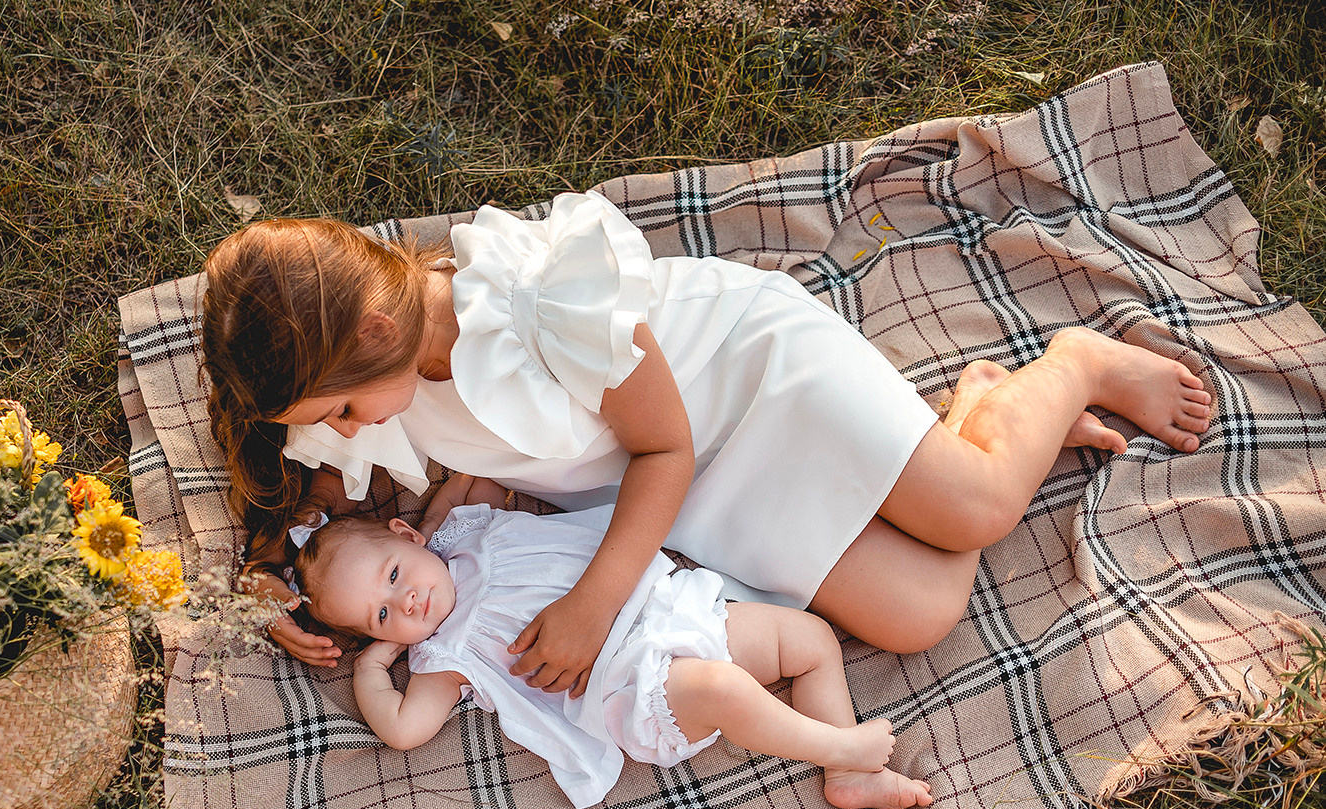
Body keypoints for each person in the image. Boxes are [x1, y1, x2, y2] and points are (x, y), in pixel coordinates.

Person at [203, 190, 1214, 690]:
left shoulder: (539, 296)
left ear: (375, 332)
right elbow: (292, 489)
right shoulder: (367, 379)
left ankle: (1072, 363)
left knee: (980, 507)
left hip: (743, 384)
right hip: (685, 487)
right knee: (919, 609)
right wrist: (269, 579)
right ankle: (980, 408)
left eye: (339, 412)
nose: (343, 438)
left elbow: (663, 448)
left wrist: (594, 604)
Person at [288, 473, 933, 809]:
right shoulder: (444, 655)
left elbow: (471, 481)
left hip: (670, 610)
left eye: (395, 577)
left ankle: (849, 776)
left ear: (408, 536)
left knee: (811, 639)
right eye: (381, 616)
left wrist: (434, 525)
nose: (405, 604)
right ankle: (839, 746)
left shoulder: (467, 533)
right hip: (635, 690)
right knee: (718, 688)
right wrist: (375, 666)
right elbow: (405, 729)